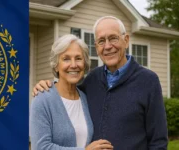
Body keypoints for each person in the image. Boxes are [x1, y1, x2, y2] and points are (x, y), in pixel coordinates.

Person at [32, 16, 168, 150]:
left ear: (126, 40)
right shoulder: (92, 80)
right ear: (96, 47)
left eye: (113, 38)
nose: (108, 46)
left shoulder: (148, 81)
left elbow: (158, 141)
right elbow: (65, 89)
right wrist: (49, 85)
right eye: (101, 41)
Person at [30, 34, 114, 150]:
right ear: (56, 66)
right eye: (66, 59)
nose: (73, 65)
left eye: (78, 58)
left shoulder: (85, 97)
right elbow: (41, 147)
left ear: (84, 65)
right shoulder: (42, 100)